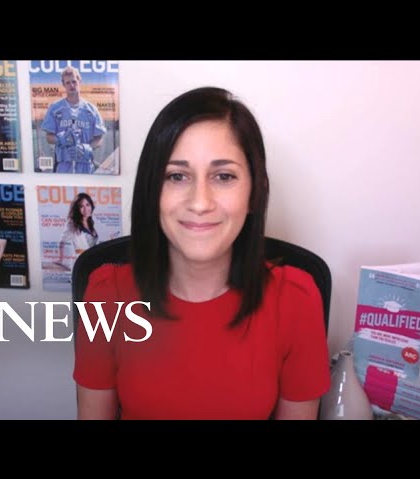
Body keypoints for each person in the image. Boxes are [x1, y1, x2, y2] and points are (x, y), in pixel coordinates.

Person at [73, 87, 331, 420]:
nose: (199, 202)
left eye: (224, 176)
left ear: (255, 192)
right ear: (152, 191)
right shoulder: (107, 294)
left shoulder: (296, 300)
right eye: (177, 176)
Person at [41, 66, 107, 174]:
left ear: (79, 81)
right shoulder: (55, 108)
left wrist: (88, 148)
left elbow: (99, 138)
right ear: (63, 84)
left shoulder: (91, 109)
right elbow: (49, 137)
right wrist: (60, 139)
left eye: (74, 81)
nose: (71, 85)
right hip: (63, 166)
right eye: (68, 83)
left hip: (85, 165)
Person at [57, 192, 99, 271]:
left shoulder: (91, 222)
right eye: (81, 206)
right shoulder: (72, 223)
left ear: (91, 205)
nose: (85, 209)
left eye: (87, 205)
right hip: (80, 261)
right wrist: (60, 259)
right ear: (77, 208)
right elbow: (62, 242)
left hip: (93, 261)